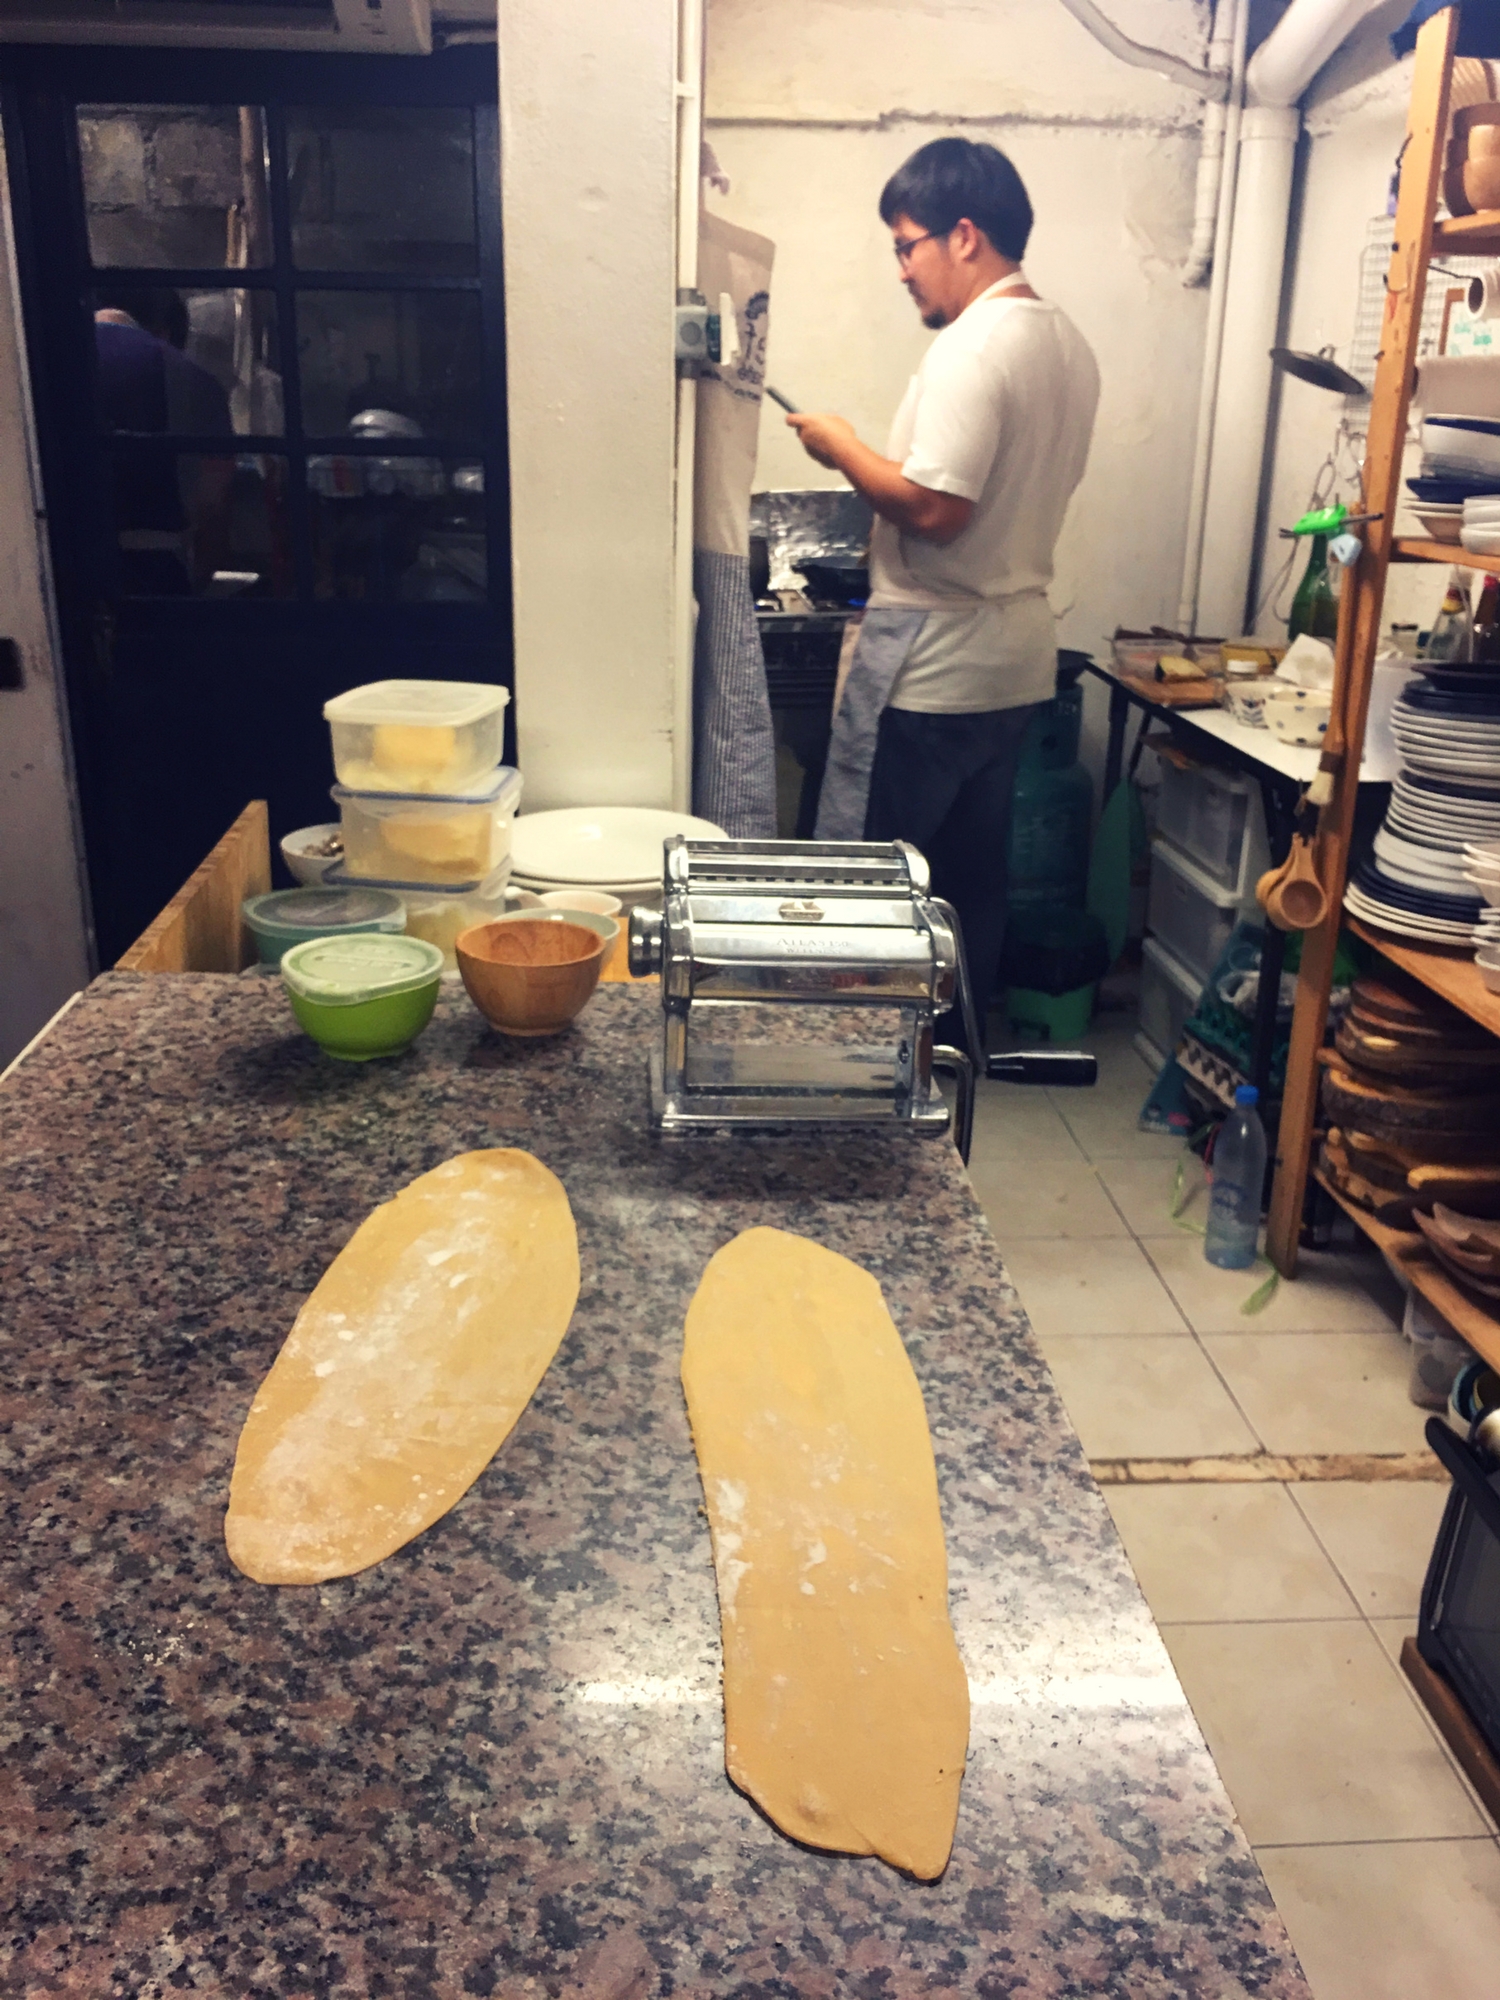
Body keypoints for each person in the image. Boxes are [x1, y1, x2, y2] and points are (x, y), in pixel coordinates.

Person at [788, 137, 1099, 1049]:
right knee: (968, 885)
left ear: (964, 236)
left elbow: (934, 510)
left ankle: (858, 1069)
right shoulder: (1067, 344)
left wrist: (841, 445)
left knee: (871, 886)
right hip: (1011, 662)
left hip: (930, 669)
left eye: (906, 245)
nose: (900, 269)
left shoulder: (976, 346)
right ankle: (948, 1059)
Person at [94, 286, 235, 591]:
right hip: (157, 571)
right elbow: (213, 506)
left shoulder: (39, 363)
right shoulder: (199, 382)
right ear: (166, 332)